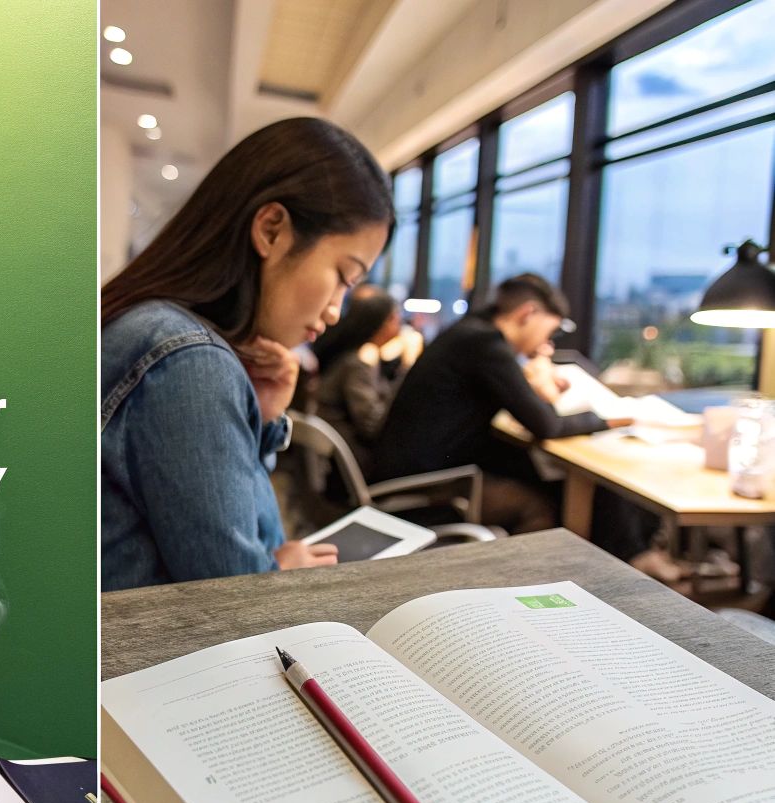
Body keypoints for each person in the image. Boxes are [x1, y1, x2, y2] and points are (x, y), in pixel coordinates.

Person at [102, 118, 392, 590]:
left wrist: (259, 419)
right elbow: (235, 595)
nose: (337, 310)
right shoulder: (187, 360)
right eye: (343, 274)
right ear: (272, 230)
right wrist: (281, 572)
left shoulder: (154, 328)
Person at [371, 274, 628, 534]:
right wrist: (607, 419)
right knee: (536, 506)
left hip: (409, 468)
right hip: (423, 486)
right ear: (528, 314)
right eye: (550, 331)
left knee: (534, 474)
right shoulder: (487, 345)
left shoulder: (470, 331)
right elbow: (547, 425)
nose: (546, 343)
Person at [307, 282, 415, 468]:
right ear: (380, 323)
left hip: (341, 459)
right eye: (394, 317)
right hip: (350, 465)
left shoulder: (358, 355)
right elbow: (372, 426)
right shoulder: (358, 362)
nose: (400, 322)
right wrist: (408, 367)